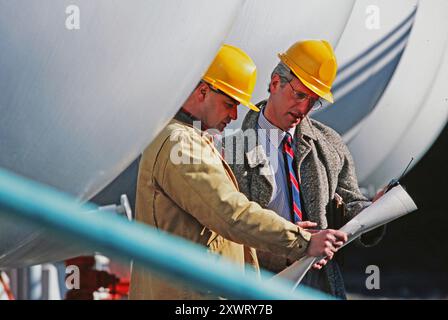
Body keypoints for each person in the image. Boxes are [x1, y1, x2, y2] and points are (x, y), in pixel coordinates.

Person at [129, 44, 348, 299]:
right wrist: (301, 240)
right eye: (230, 103)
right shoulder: (181, 144)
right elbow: (230, 213)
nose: (235, 115)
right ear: (202, 91)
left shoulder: (189, 139)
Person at [224, 40, 384, 299]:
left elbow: (350, 204)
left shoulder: (330, 143)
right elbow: (227, 229)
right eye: (299, 95)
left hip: (319, 283)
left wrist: (375, 211)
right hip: (261, 285)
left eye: (313, 100)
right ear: (275, 83)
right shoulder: (233, 150)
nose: (303, 109)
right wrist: (291, 241)